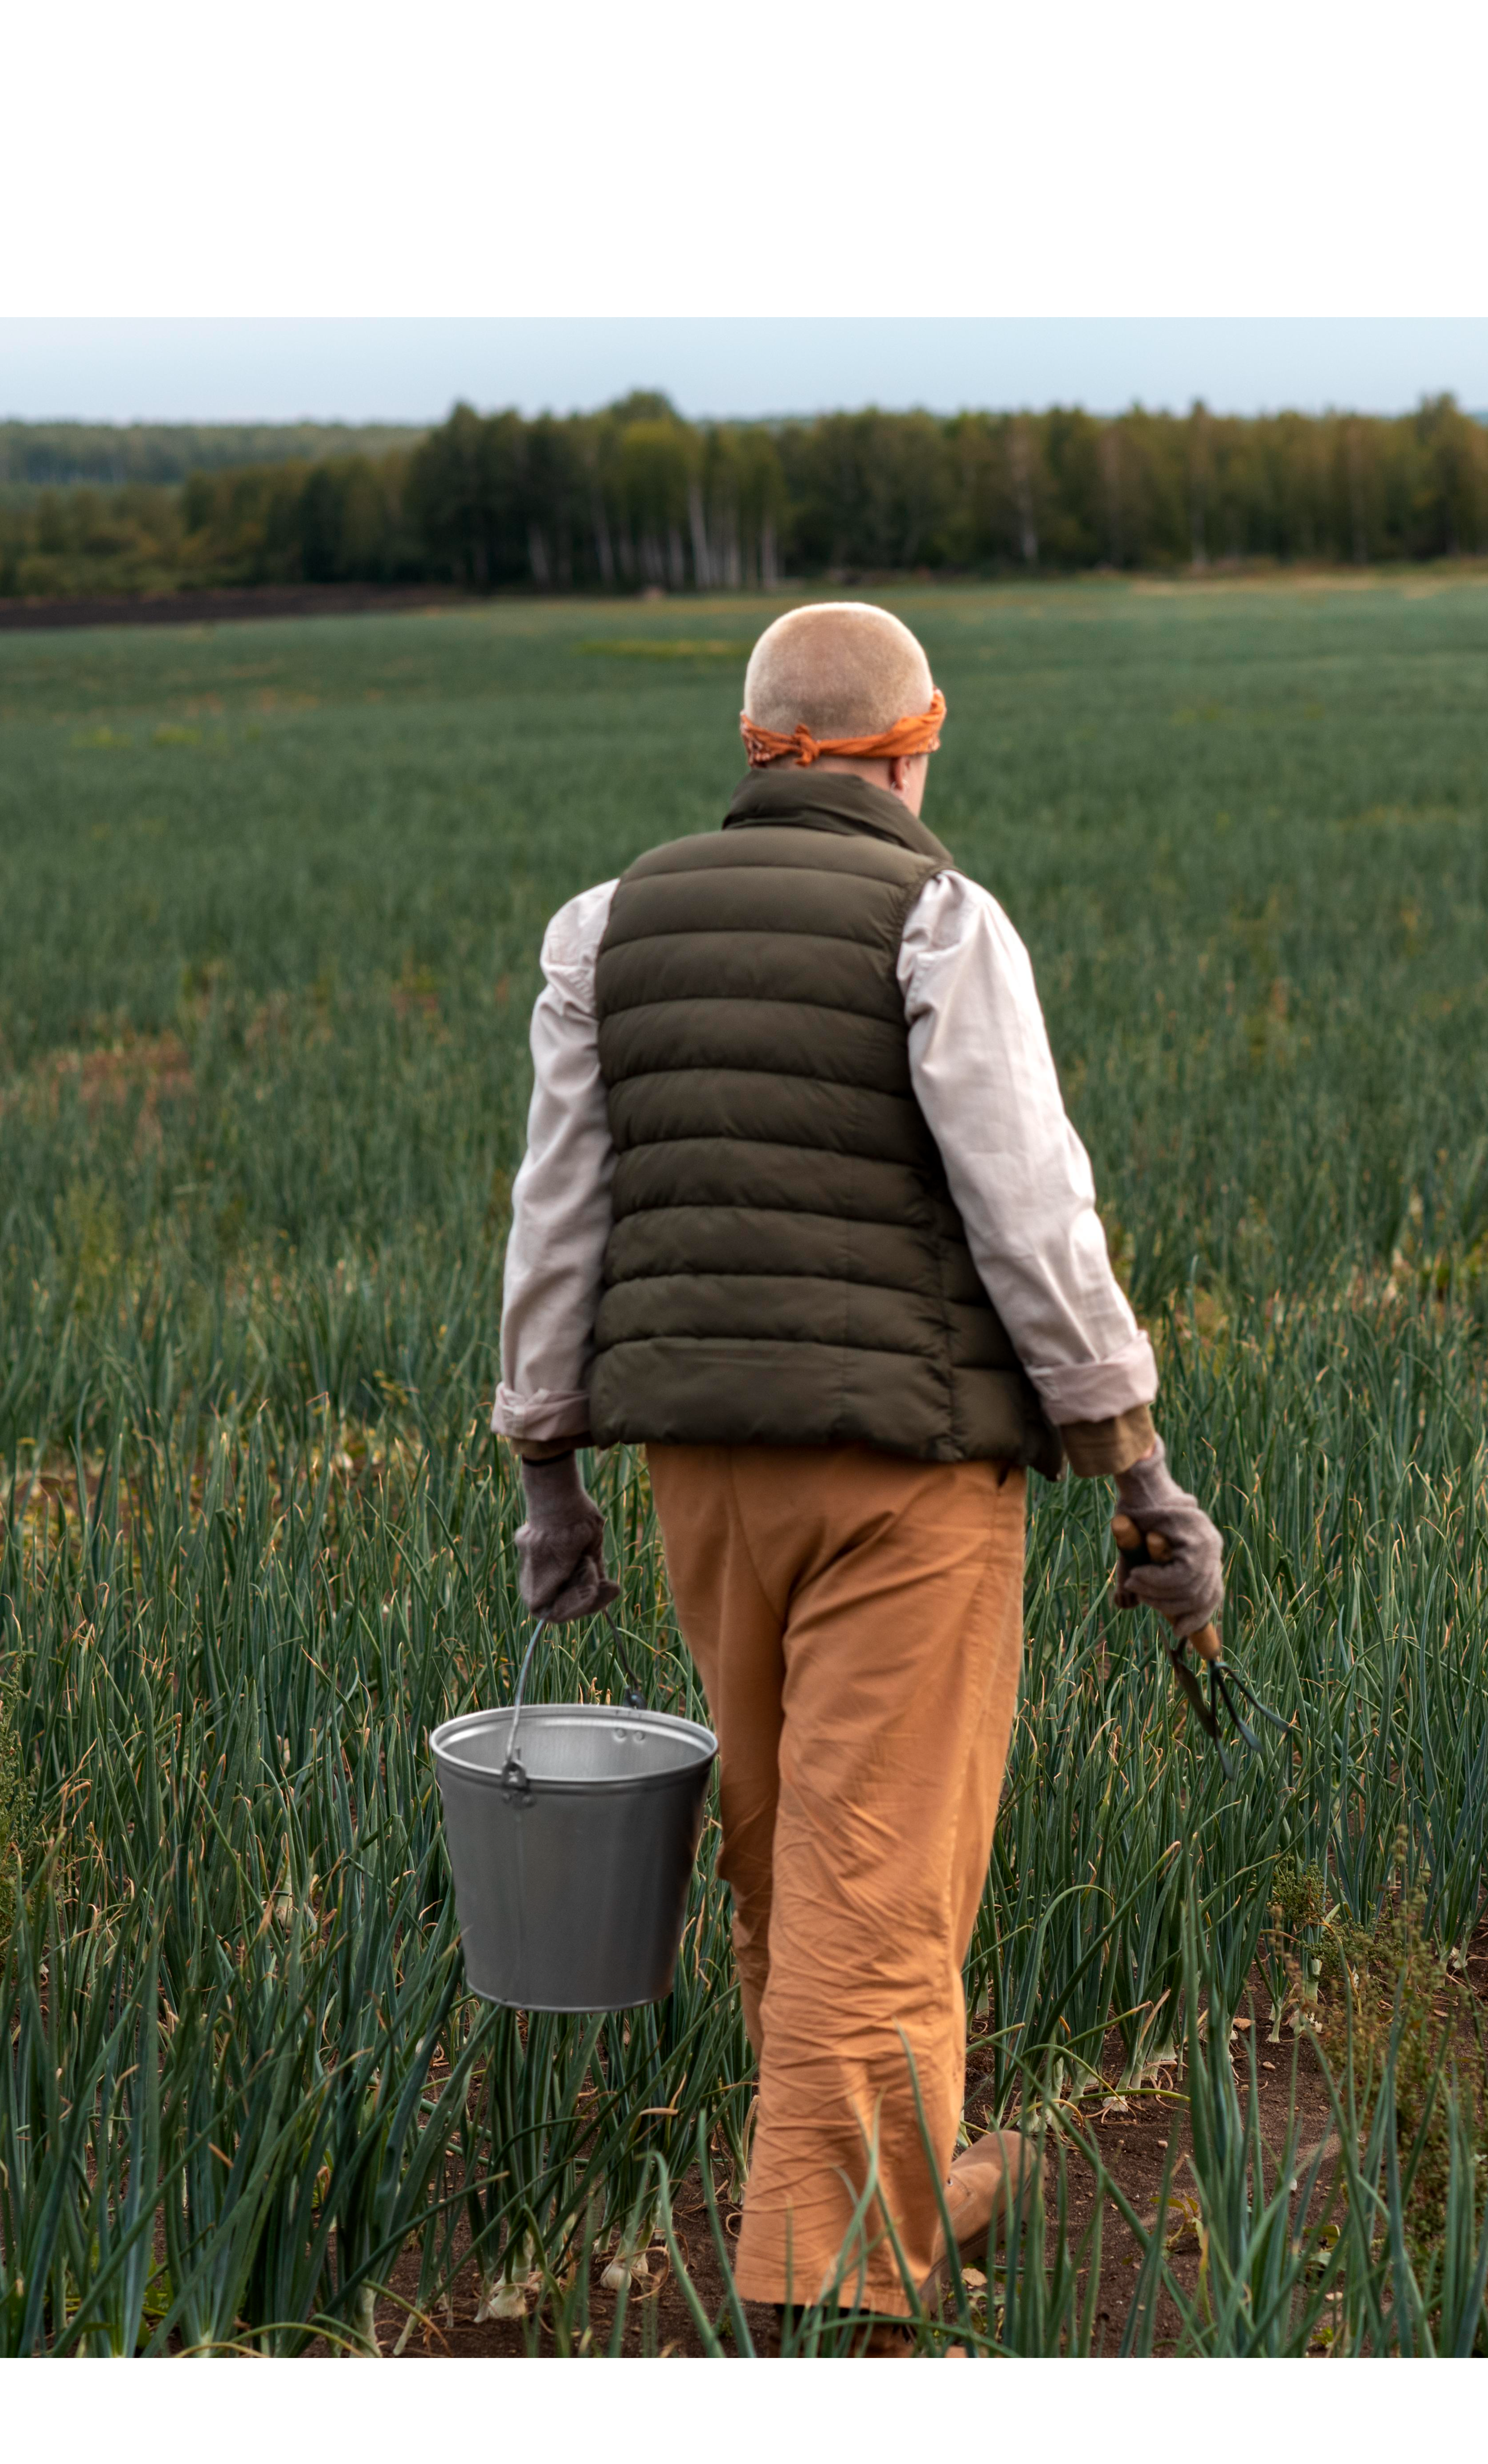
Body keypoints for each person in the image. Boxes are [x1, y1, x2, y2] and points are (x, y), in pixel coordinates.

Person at [490, 601, 1223, 2329]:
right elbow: (1030, 1212)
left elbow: (559, 1210)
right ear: (919, 743)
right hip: (905, 1476)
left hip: (700, 1475)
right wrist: (1138, 1467)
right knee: (880, 1890)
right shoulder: (940, 919)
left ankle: (902, 2198)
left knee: (785, 1868)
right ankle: (838, 2296)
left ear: (757, 749)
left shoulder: (605, 927)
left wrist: (547, 1472)